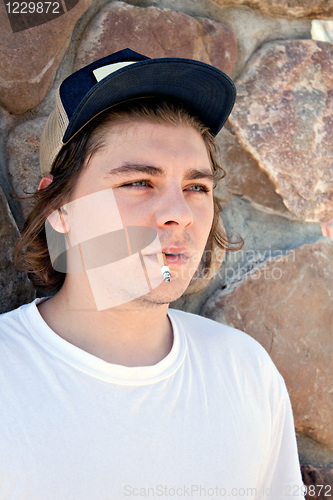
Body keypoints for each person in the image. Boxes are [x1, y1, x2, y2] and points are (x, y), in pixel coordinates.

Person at [0, 48, 304, 499]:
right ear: (60, 209)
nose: (179, 214)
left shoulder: (245, 372)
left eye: (196, 187)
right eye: (140, 182)